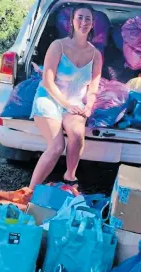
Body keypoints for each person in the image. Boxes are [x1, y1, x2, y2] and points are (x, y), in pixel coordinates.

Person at [29, 4, 102, 190]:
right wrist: (66, 105)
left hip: (74, 102)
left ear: (92, 24)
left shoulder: (96, 55)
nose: (83, 22)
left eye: (88, 19)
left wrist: (89, 106)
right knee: (56, 146)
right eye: (80, 17)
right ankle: (30, 191)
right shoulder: (58, 46)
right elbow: (47, 81)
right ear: (72, 21)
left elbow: (93, 87)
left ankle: (70, 177)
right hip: (50, 98)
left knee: (77, 135)